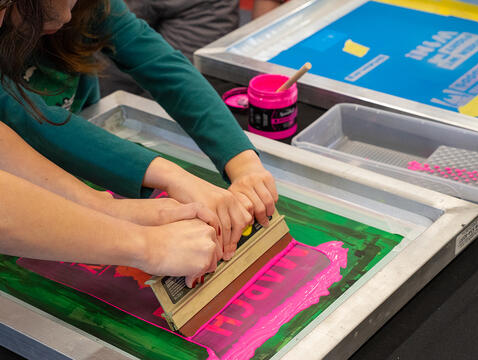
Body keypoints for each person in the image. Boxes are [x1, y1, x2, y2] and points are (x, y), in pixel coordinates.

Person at [0, 0, 278, 285]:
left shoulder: (83, 7)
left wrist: (242, 160)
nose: (69, 16)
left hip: (66, 151)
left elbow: (162, 65)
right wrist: (149, 233)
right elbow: (29, 119)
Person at [100, 0, 287, 97]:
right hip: (111, 7)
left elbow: (182, 86)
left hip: (199, 7)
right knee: (102, 98)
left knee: (177, 93)